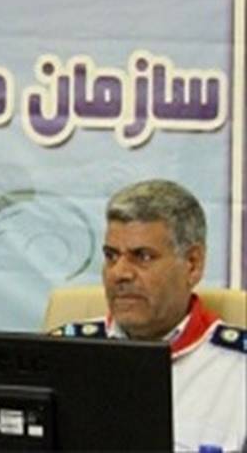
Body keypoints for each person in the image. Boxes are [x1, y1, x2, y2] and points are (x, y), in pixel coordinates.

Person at [51, 179, 245, 451]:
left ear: (192, 264)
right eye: (111, 256)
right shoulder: (61, 355)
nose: (120, 273)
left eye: (142, 257)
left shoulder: (238, 369)